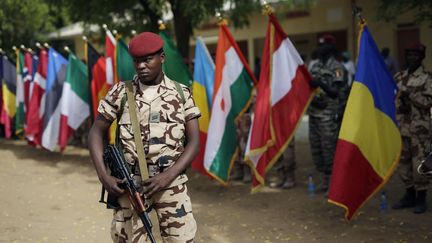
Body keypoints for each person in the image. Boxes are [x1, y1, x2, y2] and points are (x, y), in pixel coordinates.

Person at [88, 32, 200, 242]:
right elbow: (95, 132)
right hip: (131, 185)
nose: (141, 66)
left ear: (162, 57)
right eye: (137, 61)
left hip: (171, 184)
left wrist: (167, 176)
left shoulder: (181, 93)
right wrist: (104, 176)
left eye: (147, 59)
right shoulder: (121, 93)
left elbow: (194, 143)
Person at [392, 43, 432, 214]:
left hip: (419, 129)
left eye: (416, 55)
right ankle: (409, 195)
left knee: (419, 164)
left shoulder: (427, 78)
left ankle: (421, 198)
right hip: (401, 127)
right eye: (410, 55)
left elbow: (428, 103)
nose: (412, 58)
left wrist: (411, 96)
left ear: (422, 57)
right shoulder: (399, 77)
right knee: (403, 163)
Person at [307, 34, 348, 193]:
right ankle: (325, 182)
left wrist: (322, 83)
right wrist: (313, 100)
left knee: (330, 149)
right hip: (315, 113)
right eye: (319, 45)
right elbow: (309, 90)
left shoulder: (337, 67)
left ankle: (334, 184)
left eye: (323, 46)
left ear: (331, 48)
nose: (320, 48)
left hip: (329, 115)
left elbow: (336, 93)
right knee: (317, 149)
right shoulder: (314, 67)